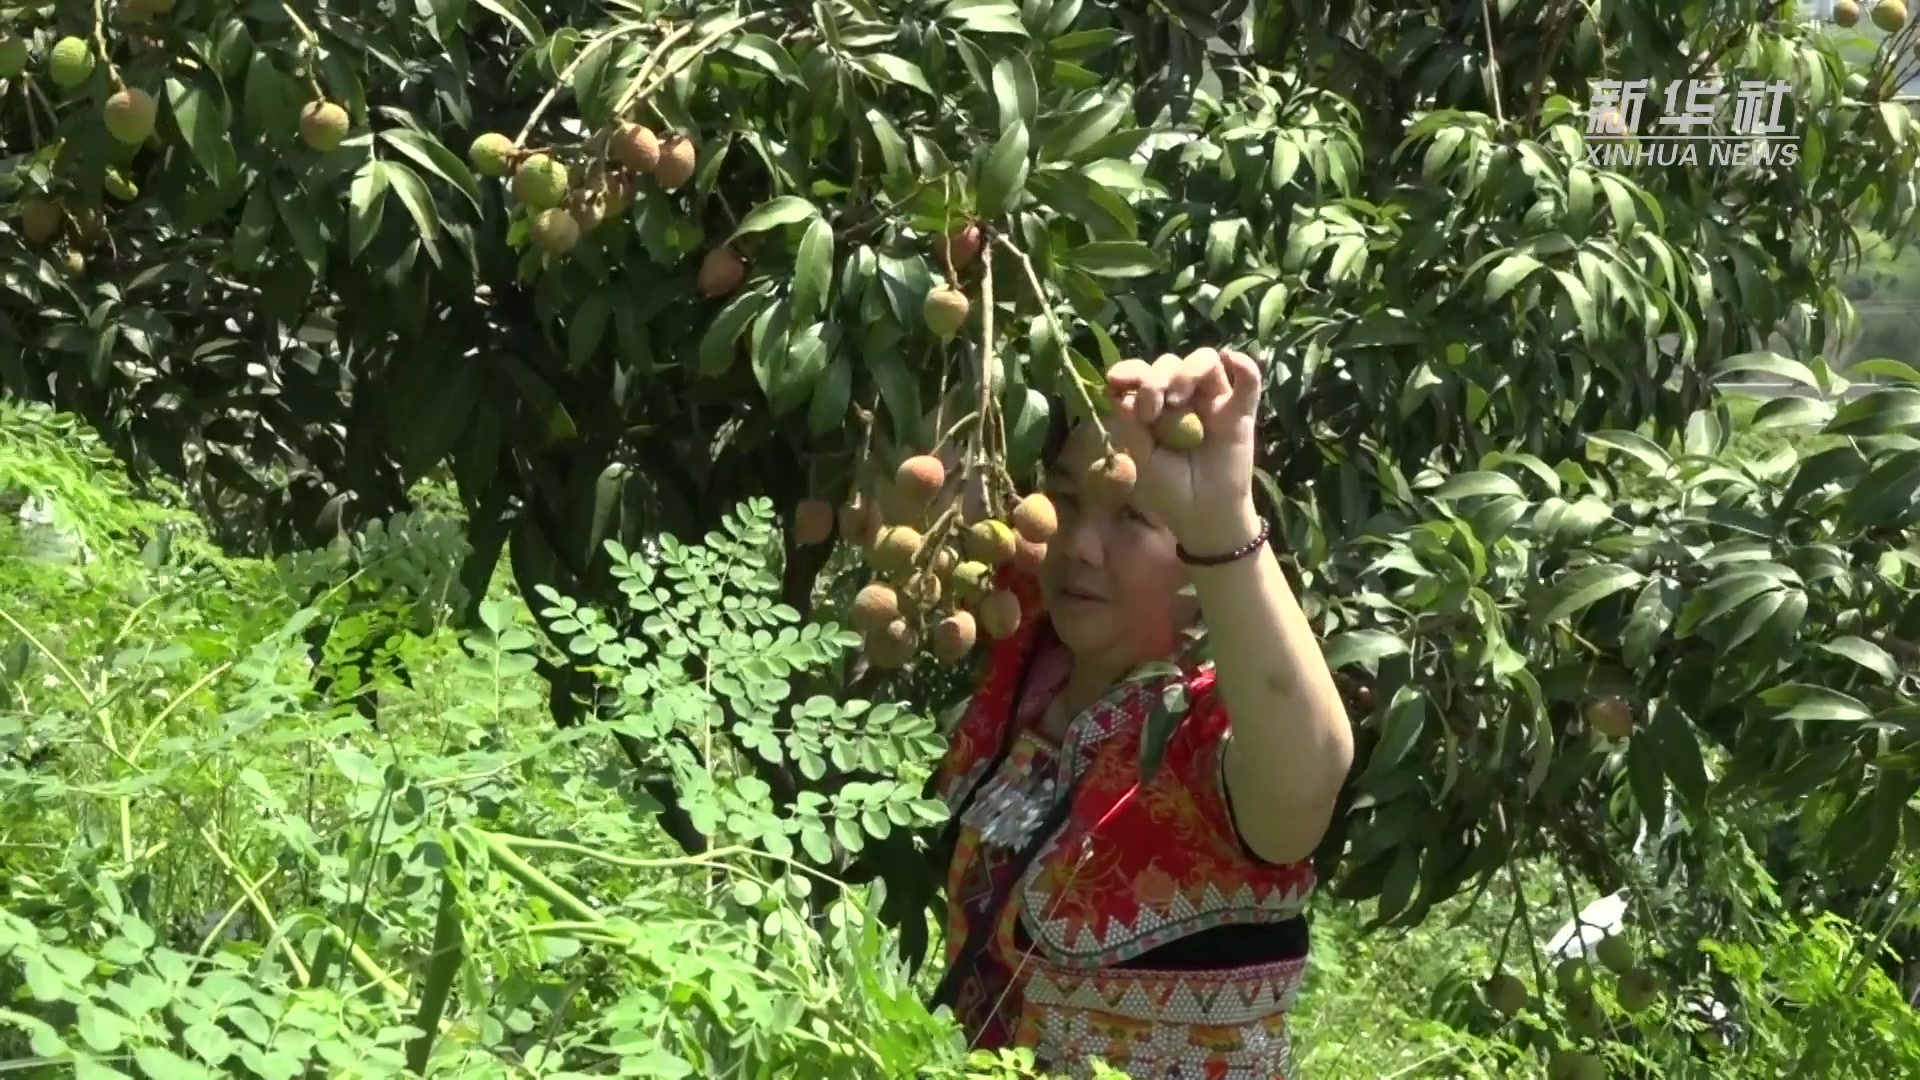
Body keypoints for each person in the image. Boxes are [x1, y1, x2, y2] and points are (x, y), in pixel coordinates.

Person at [927, 347, 1355, 1078]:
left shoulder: (1209, 741)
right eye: (1064, 498)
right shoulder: (1026, 652)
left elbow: (1310, 770)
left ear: (1202, 564)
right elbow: (926, 470)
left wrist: (1221, 518)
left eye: (1134, 516)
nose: (1080, 545)